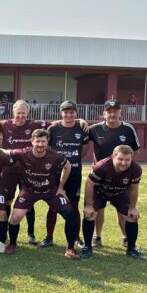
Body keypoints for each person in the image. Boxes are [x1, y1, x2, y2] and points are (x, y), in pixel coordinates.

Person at [6, 129, 76, 257]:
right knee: (15, 217)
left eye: (43, 141)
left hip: (50, 191)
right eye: (37, 141)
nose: (40, 144)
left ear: (47, 142)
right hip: (29, 191)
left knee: (70, 215)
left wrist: (61, 187)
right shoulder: (23, 153)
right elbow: (4, 152)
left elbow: (68, 166)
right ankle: (12, 244)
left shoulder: (54, 155)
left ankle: (70, 248)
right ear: (32, 142)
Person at [87, 99, 141, 249]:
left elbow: (135, 150)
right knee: (99, 207)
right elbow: (78, 130)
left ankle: (125, 237)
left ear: (120, 113)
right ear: (103, 114)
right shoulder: (95, 129)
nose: (112, 114)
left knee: (122, 206)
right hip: (101, 175)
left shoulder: (128, 129)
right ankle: (97, 237)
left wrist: (124, 166)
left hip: (121, 176)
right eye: (109, 111)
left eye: (115, 111)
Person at [0, 100, 47, 245]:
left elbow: (55, 125)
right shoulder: (4, 124)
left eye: (23, 113)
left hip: (28, 171)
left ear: (27, 113)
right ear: (13, 112)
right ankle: (3, 231)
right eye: (18, 113)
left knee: (29, 202)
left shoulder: (34, 124)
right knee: (7, 200)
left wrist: (79, 120)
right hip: (8, 170)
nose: (21, 116)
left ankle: (31, 234)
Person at [80, 145, 143, 260]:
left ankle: (131, 249)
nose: (123, 163)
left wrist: (132, 207)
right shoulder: (101, 166)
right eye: (120, 159)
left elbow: (134, 188)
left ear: (131, 158)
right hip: (99, 191)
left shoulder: (136, 169)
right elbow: (89, 184)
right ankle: (87, 247)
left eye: (127, 160)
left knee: (132, 216)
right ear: (113, 156)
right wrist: (89, 206)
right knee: (90, 215)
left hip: (119, 192)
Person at [46, 101, 89, 249]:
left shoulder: (82, 128)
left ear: (76, 113)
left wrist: (71, 162)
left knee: (74, 205)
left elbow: (83, 151)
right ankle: (49, 237)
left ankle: (76, 237)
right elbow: (47, 148)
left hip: (75, 173)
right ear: (61, 113)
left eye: (72, 112)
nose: (69, 115)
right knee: (53, 205)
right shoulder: (53, 128)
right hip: (55, 173)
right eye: (66, 112)